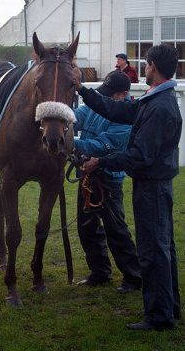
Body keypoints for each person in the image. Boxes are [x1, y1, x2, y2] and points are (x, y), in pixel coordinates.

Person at [74, 44, 182, 331]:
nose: (144, 69)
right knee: (163, 247)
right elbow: (115, 109)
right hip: (155, 185)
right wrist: (82, 89)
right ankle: (169, 307)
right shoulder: (157, 100)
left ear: (153, 67)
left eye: (146, 65)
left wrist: (100, 161)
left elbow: (138, 157)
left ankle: (159, 317)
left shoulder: (159, 107)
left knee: (153, 250)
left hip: (152, 187)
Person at [74, 70, 142, 293]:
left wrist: (70, 142)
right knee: (86, 228)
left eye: (109, 95)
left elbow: (102, 146)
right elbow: (76, 116)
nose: (104, 99)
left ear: (124, 94)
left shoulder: (127, 120)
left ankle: (133, 277)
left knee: (116, 230)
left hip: (109, 181)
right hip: (88, 177)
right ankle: (100, 272)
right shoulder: (97, 107)